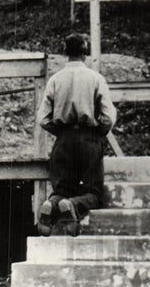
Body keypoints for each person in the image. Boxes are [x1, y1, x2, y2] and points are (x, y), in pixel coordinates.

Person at [36, 32, 117, 236]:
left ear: (65, 53)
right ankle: (71, 205)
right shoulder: (95, 78)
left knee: (61, 189)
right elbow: (108, 117)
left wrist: (61, 132)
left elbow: (43, 118)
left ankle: (51, 204)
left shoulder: (55, 80)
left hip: (63, 140)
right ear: (85, 52)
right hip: (89, 139)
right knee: (93, 193)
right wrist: (97, 133)